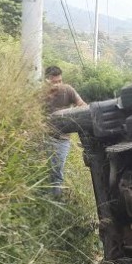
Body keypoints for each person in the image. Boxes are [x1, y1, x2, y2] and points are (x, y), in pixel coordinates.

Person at [44, 65, 86, 194]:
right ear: (46, 80)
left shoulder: (68, 90)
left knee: (57, 171)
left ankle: (56, 202)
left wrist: (70, 113)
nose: (57, 85)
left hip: (62, 139)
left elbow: (83, 106)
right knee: (42, 170)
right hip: (42, 137)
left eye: (59, 81)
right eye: (54, 82)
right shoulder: (40, 93)